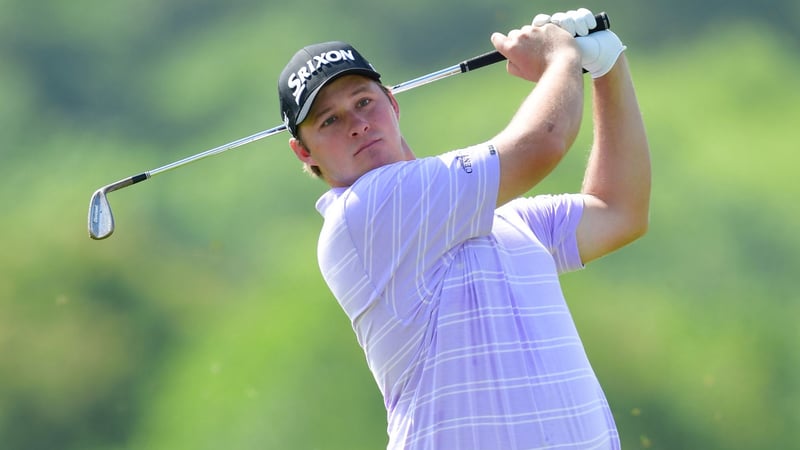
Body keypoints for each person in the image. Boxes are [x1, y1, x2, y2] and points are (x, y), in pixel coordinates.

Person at [278, 7, 650, 450]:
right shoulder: (362, 212)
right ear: (305, 154)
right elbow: (542, 142)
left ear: (393, 103)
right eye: (329, 120)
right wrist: (562, 58)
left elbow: (618, 211)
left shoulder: (502, 219)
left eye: (364, 102)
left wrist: (608, 66)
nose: (357, 125)